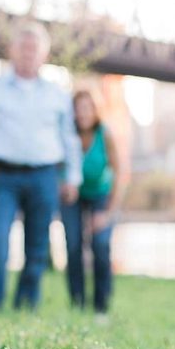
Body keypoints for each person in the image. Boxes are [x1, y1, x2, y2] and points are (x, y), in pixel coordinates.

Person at [0, 22, 81, 310]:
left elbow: (69, 139)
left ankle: (26, 305)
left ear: (44, 54)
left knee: (37, 247)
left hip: (44, 176)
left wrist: (72, 178)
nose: (29, 53)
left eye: (34, 49)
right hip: (3, 176)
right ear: (13, 51)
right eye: (23, 47)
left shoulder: (57, 95)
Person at [60, 90, 125, 315]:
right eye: (77, 109)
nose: (82, 113)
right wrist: (63, 186)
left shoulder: (104, 134)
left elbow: (119, 172)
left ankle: (101, 307)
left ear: (94, 110)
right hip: (73, 195)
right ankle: (77, 303)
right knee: (74, 245)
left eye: (87, 108)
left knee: (100, 244)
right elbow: (58, 166)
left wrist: (107, 212)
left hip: (100, 194)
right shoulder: (67, 134)